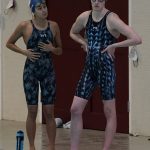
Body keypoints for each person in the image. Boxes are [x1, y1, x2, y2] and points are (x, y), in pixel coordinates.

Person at [70, 0, 142, 150]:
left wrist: (113, 46)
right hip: (89, 68)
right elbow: (72, 32)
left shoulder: (111, 19)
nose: (97, 3)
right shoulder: (84, 17)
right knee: (75, 109)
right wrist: (83, 42)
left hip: (106, 69)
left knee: (109, 111)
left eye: (100, 0)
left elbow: (136, 38)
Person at [6, 0, 62, 150]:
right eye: (39, 8)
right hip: (30, 71)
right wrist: (24, 52)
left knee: (49, 112)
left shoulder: (54, 26)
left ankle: (51, 146)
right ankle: (31, 146)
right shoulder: (25, 26)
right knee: (32, 110)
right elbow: (9, 43)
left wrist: (52, 48)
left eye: (45, 7)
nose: (44, 10)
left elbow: (60, 50)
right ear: (33, 10)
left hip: (48, 71)